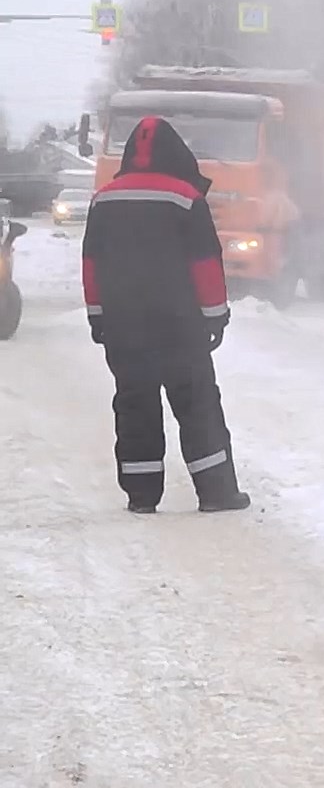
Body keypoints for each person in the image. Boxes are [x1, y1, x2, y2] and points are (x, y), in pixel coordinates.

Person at [82, 116, 250, 514]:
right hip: (179, 326)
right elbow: (205, 263)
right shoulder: (185, 197)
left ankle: (141, 497)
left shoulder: (104, 199)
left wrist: (97, 315)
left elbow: (91, 263)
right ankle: (216, 493)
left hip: (124, 324)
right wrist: (215, 316)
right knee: (197, 405)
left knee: (134, 404)